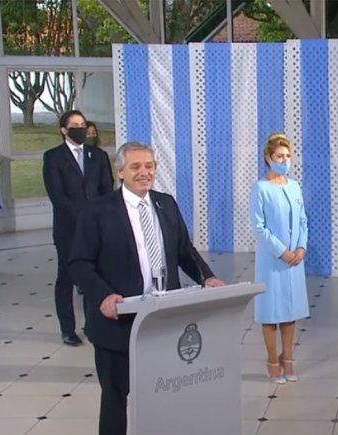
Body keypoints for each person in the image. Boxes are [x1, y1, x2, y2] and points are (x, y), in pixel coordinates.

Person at [68, 142, 225, 435]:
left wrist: (207, 277)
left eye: (150, 166)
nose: (144, 172)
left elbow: (184, 250)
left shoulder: (166, 203)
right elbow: (79, 263)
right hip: (118, 323)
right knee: (115, 398)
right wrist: (104, 295)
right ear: (120, 172)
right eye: (136, 167)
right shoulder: (97, 211)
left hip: (163, 321)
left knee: (163, 393)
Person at [43, 110, 114, 346]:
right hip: (69, 229)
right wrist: (84, 217)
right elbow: (58, 196)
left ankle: (92, 325)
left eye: (83, 124)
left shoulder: (98, 155)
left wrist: (99, 217)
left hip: (97, 227)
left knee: (94, 277)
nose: (81, 128)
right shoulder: (53, 157)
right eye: (75, 125)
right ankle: (67, 329)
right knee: (67, 277)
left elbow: (106, 190)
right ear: (64, 130)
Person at [250, 133, 309, 384]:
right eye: (279, 156)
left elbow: (303, 220)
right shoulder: (261, 188)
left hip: (295, 260)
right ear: (268, 158)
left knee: (290, 312)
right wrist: (282, 251)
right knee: (271, 312)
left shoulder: (294, 186)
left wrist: (300, 248)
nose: (284, 160)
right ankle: (273, 361)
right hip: (273, 261)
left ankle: (289, 359)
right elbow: (259, 227)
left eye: (287, 156)